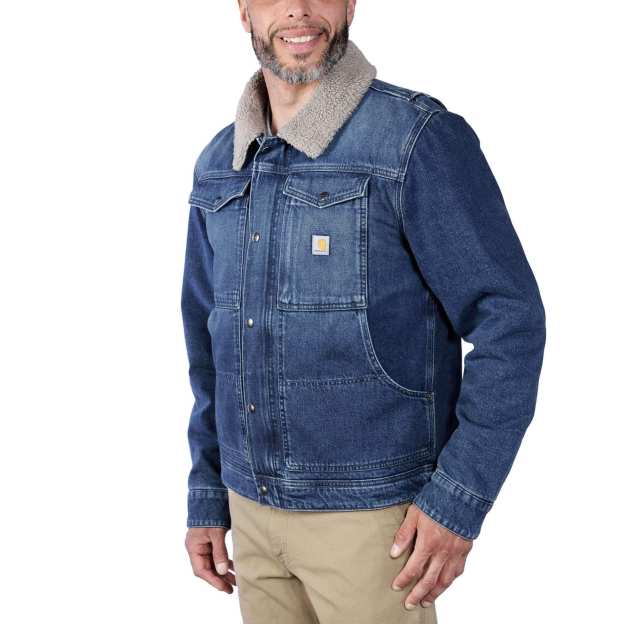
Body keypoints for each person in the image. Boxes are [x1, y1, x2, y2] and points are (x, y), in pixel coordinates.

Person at [180, 1, 547, 622]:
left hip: (377, 523)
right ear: (242, 9)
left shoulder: (414, 139)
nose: (297, 9)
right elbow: (207, 342)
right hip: (251, 515)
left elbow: (510, 321)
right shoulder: (220, 164)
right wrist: (208, 491)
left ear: (351, 1)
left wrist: (459, 498)